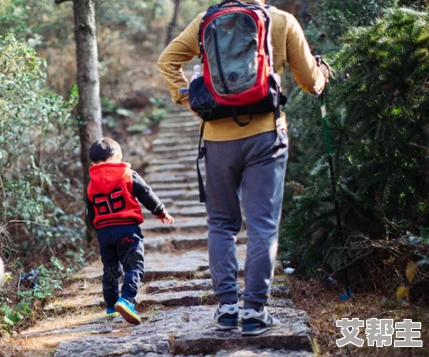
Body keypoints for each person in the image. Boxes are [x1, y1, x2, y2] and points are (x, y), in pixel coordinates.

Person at [158, 0, 329, 335]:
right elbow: (310, 81)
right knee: (262, 225)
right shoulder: (281, 21)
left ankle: (225, 309)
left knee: (221, 224)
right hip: (266, 136)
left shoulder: (206, 20)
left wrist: (191, 100)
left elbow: (167, 61)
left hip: (217, 139)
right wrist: (322, 76)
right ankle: (254, 311)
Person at [87, 137, 174, 325]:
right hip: (127, 229)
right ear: (117, 156)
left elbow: (90, 211)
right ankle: (126, 299)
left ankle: (111, 306)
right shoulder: (127, 174)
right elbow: (146, 193)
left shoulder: (91, 185)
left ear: (93, 163)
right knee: (134, 265)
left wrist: (98, 230)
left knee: (110, 268)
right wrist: (160, 211)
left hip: (104, 232)